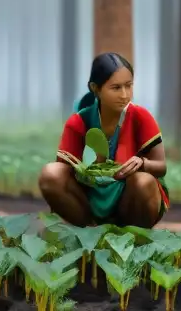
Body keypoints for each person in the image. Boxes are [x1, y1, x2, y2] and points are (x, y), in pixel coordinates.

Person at [39, 52, 170, 228]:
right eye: (116, 88)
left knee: (143, 182)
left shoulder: (141, 117)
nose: (124, 95)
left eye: (129, 86)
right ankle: (91, 232)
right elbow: (64, 173)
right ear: (95, 88)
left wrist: (142, 163)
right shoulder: (79, 122)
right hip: (89, 199)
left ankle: (133, 237)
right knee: (51, 174)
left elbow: (161, 166)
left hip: (130, 199)